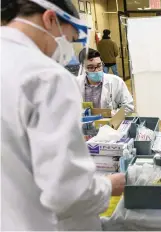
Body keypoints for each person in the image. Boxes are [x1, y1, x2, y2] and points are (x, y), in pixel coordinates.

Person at [1, 0, 125, 230]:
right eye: (69, 39)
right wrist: (110, 186)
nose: (66, 48)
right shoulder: (46, 76)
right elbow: (67, 192)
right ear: (50, 19)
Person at [77, 48, 134, 113]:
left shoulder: (116, 81)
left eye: (99, 66)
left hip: (110, 121)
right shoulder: (75, 84)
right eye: (90, 67)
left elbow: (128, 106)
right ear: (82, 68)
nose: (96, 70)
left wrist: (113, 114)